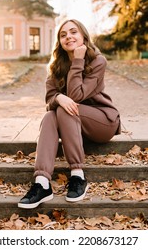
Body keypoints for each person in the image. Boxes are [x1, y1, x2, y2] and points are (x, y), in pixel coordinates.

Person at [18, 19, 121, 209]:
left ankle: (78, 176)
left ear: (83, 36)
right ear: (59, 42)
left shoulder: (98, 61)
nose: (68, 37)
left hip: (102, 121)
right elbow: (49, 100)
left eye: (73, 32)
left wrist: (78, 61)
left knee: (65, 109)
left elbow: (76, 96)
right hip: (74, 122)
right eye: (63, 35)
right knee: (51, 115)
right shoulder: (56, 66)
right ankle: (42, 183)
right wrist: (58, 98)